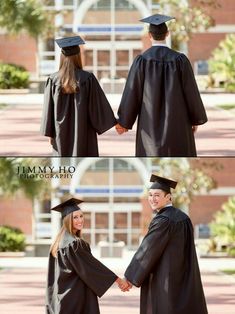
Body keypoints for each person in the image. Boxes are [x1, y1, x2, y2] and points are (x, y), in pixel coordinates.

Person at [116, 14, 208, 157]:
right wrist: (195, 118)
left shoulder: (141, 61)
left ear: (149, 35)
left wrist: (124, 122)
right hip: (178, 124)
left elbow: (132, 93)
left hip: (149, 127)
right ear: (167, 34)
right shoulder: (180, 60)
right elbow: (191, 92)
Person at [122, 174, 208, 314]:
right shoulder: (183, 217)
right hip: (184, 277)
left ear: (168, 197)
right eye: (150, 195)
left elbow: (147, 250)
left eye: (156, 195)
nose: (152, 199)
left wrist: (129, 277)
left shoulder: (163, 220)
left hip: (165, 280)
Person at [46, 198, 128, 314]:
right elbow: (91, 267)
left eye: (81, 216)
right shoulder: (74, 244)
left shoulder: (59, 242)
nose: (80, 220)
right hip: (75, 299)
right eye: (75, 217)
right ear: (67, 220)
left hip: (61, 299)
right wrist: (118, 280)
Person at [40, 36, 117, 157]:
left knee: (64, 169)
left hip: (60, 134)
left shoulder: (53, 80)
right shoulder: (88, 79)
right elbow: (98, 108)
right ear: (78, 57)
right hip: (84, 134)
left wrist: (50, 133)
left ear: (62, 57)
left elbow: (48, 110)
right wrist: (117, 123)